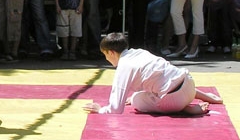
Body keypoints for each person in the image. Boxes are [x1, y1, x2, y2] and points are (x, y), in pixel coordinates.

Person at [83, 32, 223, 115]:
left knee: (137, 99)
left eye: (105, 55)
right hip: (189, 83)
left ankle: (186, 109)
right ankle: (204, 97)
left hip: (174, 99)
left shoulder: (124, 66)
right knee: (163, 82)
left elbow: (116, 109)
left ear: (111, 52)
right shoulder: (140, 52)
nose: (106, 59)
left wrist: (100, 109)